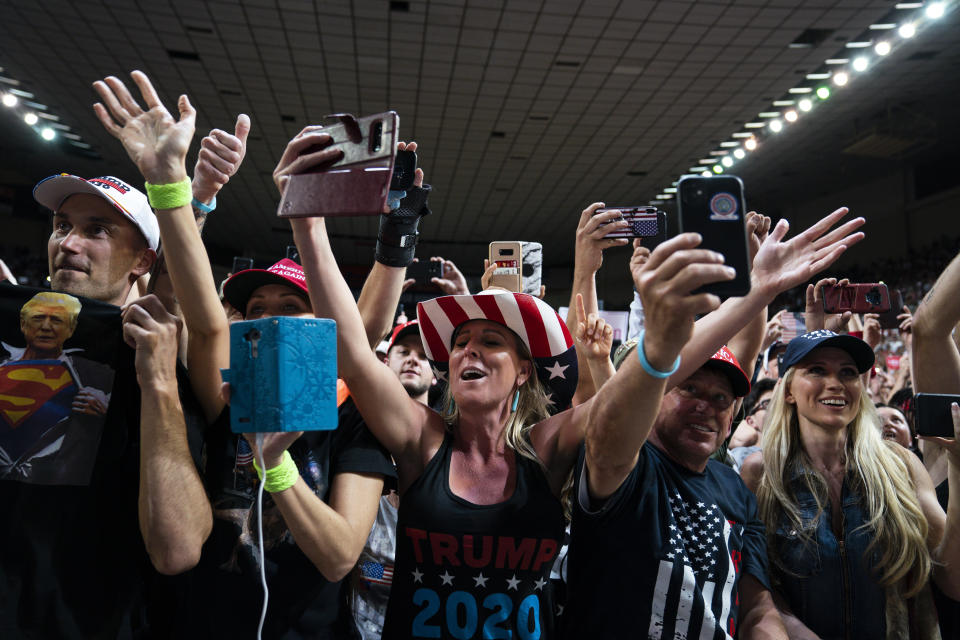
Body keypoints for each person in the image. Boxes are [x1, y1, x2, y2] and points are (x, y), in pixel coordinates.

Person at [563, 252, 786, 638]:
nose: (706, 406)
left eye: (721, 399)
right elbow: (613, 414)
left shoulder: (735, 488)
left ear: (733, 414)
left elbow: (756, 609)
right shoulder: (626, 465)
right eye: (690, 389)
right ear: (659, 394)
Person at [742, 330, 960, 639]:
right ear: (788, 390)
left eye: (848, 372)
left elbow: (952, 579)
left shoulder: (901, 467)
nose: (836, 383)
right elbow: (755, 589)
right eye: (817, 370)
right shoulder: (761, 474)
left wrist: (959, 464)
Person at [0, 291, 113, 484]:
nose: (46, 327)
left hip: (58, 493)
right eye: (38, 318)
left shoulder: (96, 375)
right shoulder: (2, 366)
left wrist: (105, 410)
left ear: (71, 328)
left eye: (56, 320)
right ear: (23, 324)